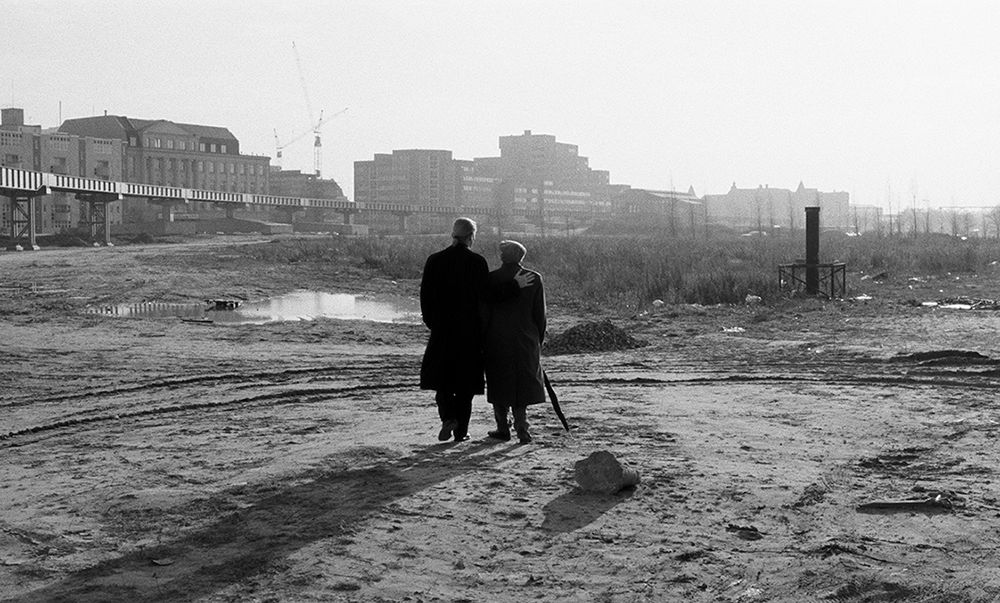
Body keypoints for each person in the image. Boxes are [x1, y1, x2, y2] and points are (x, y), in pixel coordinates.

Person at [419, 218, 530, 442]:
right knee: (465, 385)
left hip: (442, 331)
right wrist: (514, 286)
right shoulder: (476, 262)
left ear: (453, 235)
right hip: (469, 333)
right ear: (471, 237)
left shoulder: (434, 261)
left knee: (442, 381)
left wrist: (433, 323)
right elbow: (488, 296)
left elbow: (425, 297)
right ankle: (461, 432)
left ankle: (448, 418)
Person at [483, 240, 546, 444]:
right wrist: (539, 339)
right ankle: (522, 429)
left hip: (497, 338)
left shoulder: (491, 279)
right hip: (526, 338)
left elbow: (484, 310)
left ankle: (503, 428)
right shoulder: (534, 279)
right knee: (522, 383)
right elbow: (540, 315)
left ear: (502, 257)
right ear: (521, 257)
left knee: (499, 382)